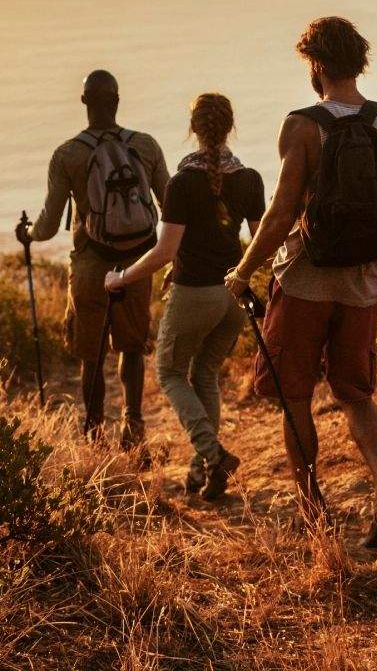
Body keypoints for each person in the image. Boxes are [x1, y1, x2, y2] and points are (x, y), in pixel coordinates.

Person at [224, 16, 377, 545]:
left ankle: (312, 505)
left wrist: (242, 272)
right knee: (356, 394)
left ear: (316, 66)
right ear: (358, 63)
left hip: (306, 280)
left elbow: (280, 215)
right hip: (365, 281)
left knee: (295, 394)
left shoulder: (301, 126)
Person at [104, 93, 264, 499]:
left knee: (170, 374)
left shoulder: (182, 183)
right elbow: (262, 241)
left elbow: (164, 252)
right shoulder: (250, 179)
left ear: (194, 128)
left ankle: (213, 455)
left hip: (195, 293)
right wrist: (247, 279)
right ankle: (202, 472)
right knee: (204, 373)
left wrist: (121, 277)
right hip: (234, 296)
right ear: (230, 127)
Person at [18, 70, 169, 446]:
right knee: (131, 348)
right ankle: (132, 427)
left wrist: (28, 235)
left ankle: (95, 430)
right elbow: (170, 203)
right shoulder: (146, 146)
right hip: (136, 263)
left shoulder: (68, 154)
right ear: (117, 100)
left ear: (84, 102)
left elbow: (50, 225)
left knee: (91, 354)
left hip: (89, 264)